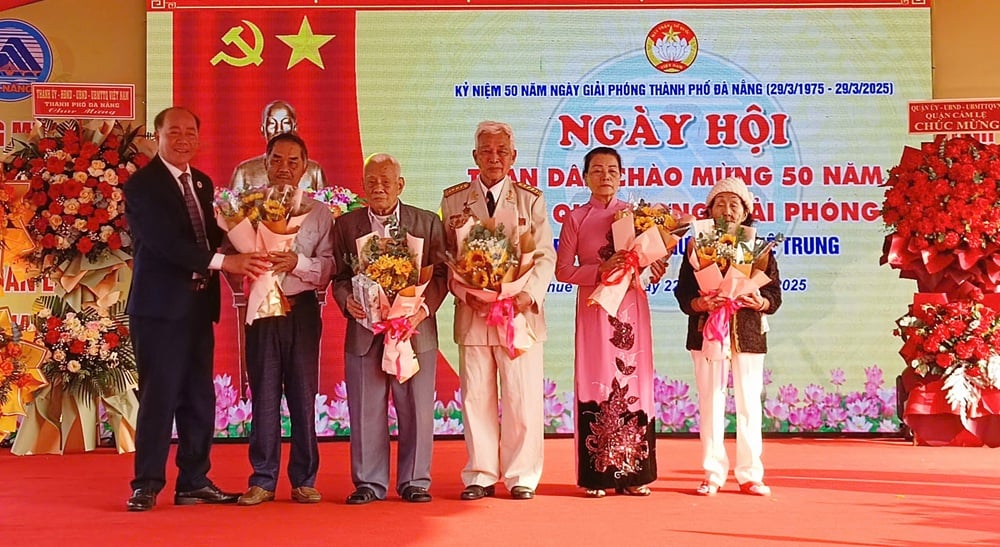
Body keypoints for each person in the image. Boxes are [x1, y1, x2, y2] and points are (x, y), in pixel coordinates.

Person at [124, 106, 271, 512]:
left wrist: (251, 244)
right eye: (175, 132)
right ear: (158, 136)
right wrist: (227, 262)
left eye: (191, 131)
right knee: (159, 396)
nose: (184, 139)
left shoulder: (204, 184)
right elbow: (165, 244)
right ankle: (147, 483)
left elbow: (209, 241)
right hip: (158, 310)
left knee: (198, 397)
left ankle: (193, 480)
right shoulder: (142, 186)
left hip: (196, 307)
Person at [440, 121, 556, 501]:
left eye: (501, 151)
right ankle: (481, 473)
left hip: (519, 316)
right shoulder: (454, 200)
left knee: (522, 395)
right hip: (474, 315)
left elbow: (543, 257)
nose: (494, 158)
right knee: (476, 396)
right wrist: (463, 290)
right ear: (475, 157)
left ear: (513, 157)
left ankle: (522, 474)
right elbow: (447, 260)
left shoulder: (530, 199)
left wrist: (525, 296)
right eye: (486, 151)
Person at [331, 153, 448, 504]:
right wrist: (346, 300)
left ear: (401, 185)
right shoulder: (346, 226)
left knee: (416, 409)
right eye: (371, 181)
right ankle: (369, 482)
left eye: (386, 181)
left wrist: (422, 309)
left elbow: (441, 275)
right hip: (365, 330)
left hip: (414, 331)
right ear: (363, 185)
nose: (378, 187)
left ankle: (415, 481)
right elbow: (338, 277)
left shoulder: (426, 223)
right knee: (366, 408)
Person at [555, 147, 667, 497]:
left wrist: (653, 268)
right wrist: (599, 270)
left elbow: (646, 263)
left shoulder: (636, 217)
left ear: (622, 177)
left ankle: (634, 473)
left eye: (612, 171)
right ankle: (599, 475)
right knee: (598, 380)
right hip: (595, 309)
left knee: (633, 381)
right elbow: (563, 270)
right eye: (598, 170)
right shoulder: (575, 218)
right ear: (584, 176)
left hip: (632, 309)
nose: (606, 176)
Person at [235, 133, 334, 506]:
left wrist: (298, 263)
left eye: (293, 162)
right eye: (277, 160)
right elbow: (233, 257)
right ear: (266, 162)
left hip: (302, 309)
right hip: (261, 310)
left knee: (303, 396)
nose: (284, 168)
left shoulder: (320, 213)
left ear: (305, 168)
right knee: (263, 394)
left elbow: (329, 268)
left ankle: (304, 479)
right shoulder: (248, 210)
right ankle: (262, 478)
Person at [674, 176, 782, 497]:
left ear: (745, 211)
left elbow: (774, 293)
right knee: (711, 402)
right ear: (708, 210)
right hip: (706, 332)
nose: (726, 210)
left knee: (749, 404)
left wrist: (758, 301)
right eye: (719, 203)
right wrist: (701, 303)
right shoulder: (697, 246)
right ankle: (713, 472)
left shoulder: (758, 247)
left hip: (747, 334)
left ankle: (750, 474)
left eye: (734, 204)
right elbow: (683, 294)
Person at [230, 100, 327, 191]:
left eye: (285, 123)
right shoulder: (244, 171)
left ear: (295, 127)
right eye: (272, 123)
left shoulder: (314, 171)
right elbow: (232, 206)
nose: (279, 129)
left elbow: (326, 206)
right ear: (263, 129)